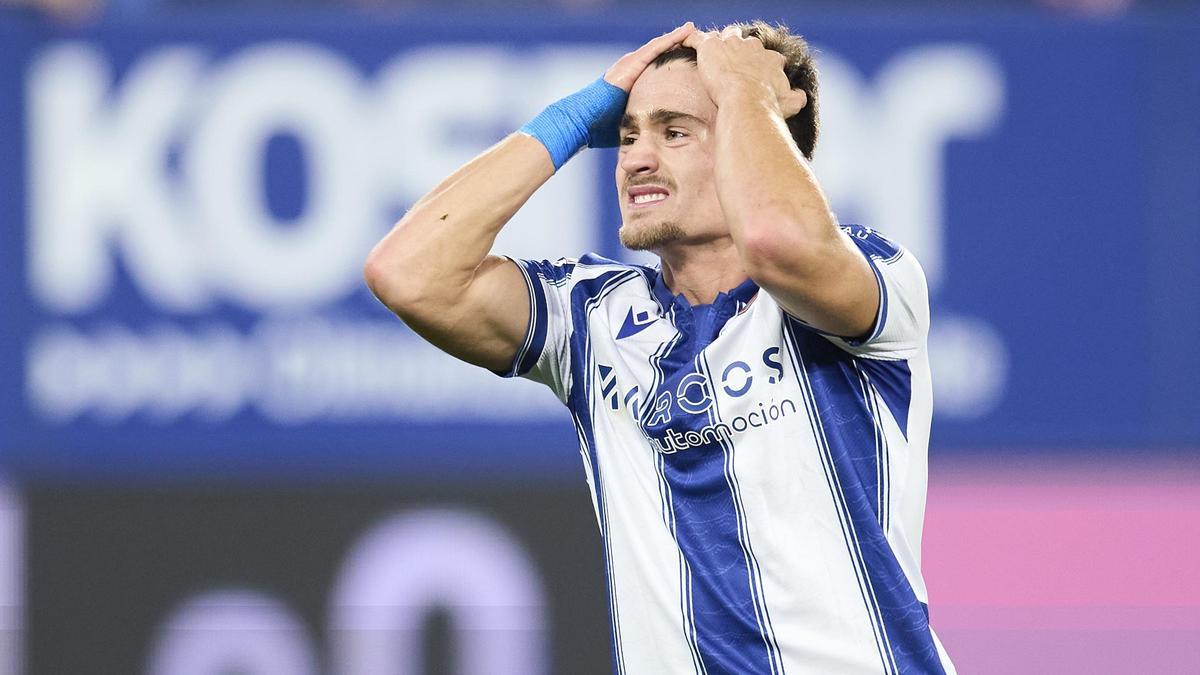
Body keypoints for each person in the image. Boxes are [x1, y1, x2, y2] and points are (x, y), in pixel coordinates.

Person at [365, 19, 957, 674]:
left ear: (754, 137)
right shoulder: (591, 317)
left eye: (675, 131)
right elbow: (407, 273)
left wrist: (745, 95)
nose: (635, 158)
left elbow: (774, 241)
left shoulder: (870, 277)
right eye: (626, 135)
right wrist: (567, 121)